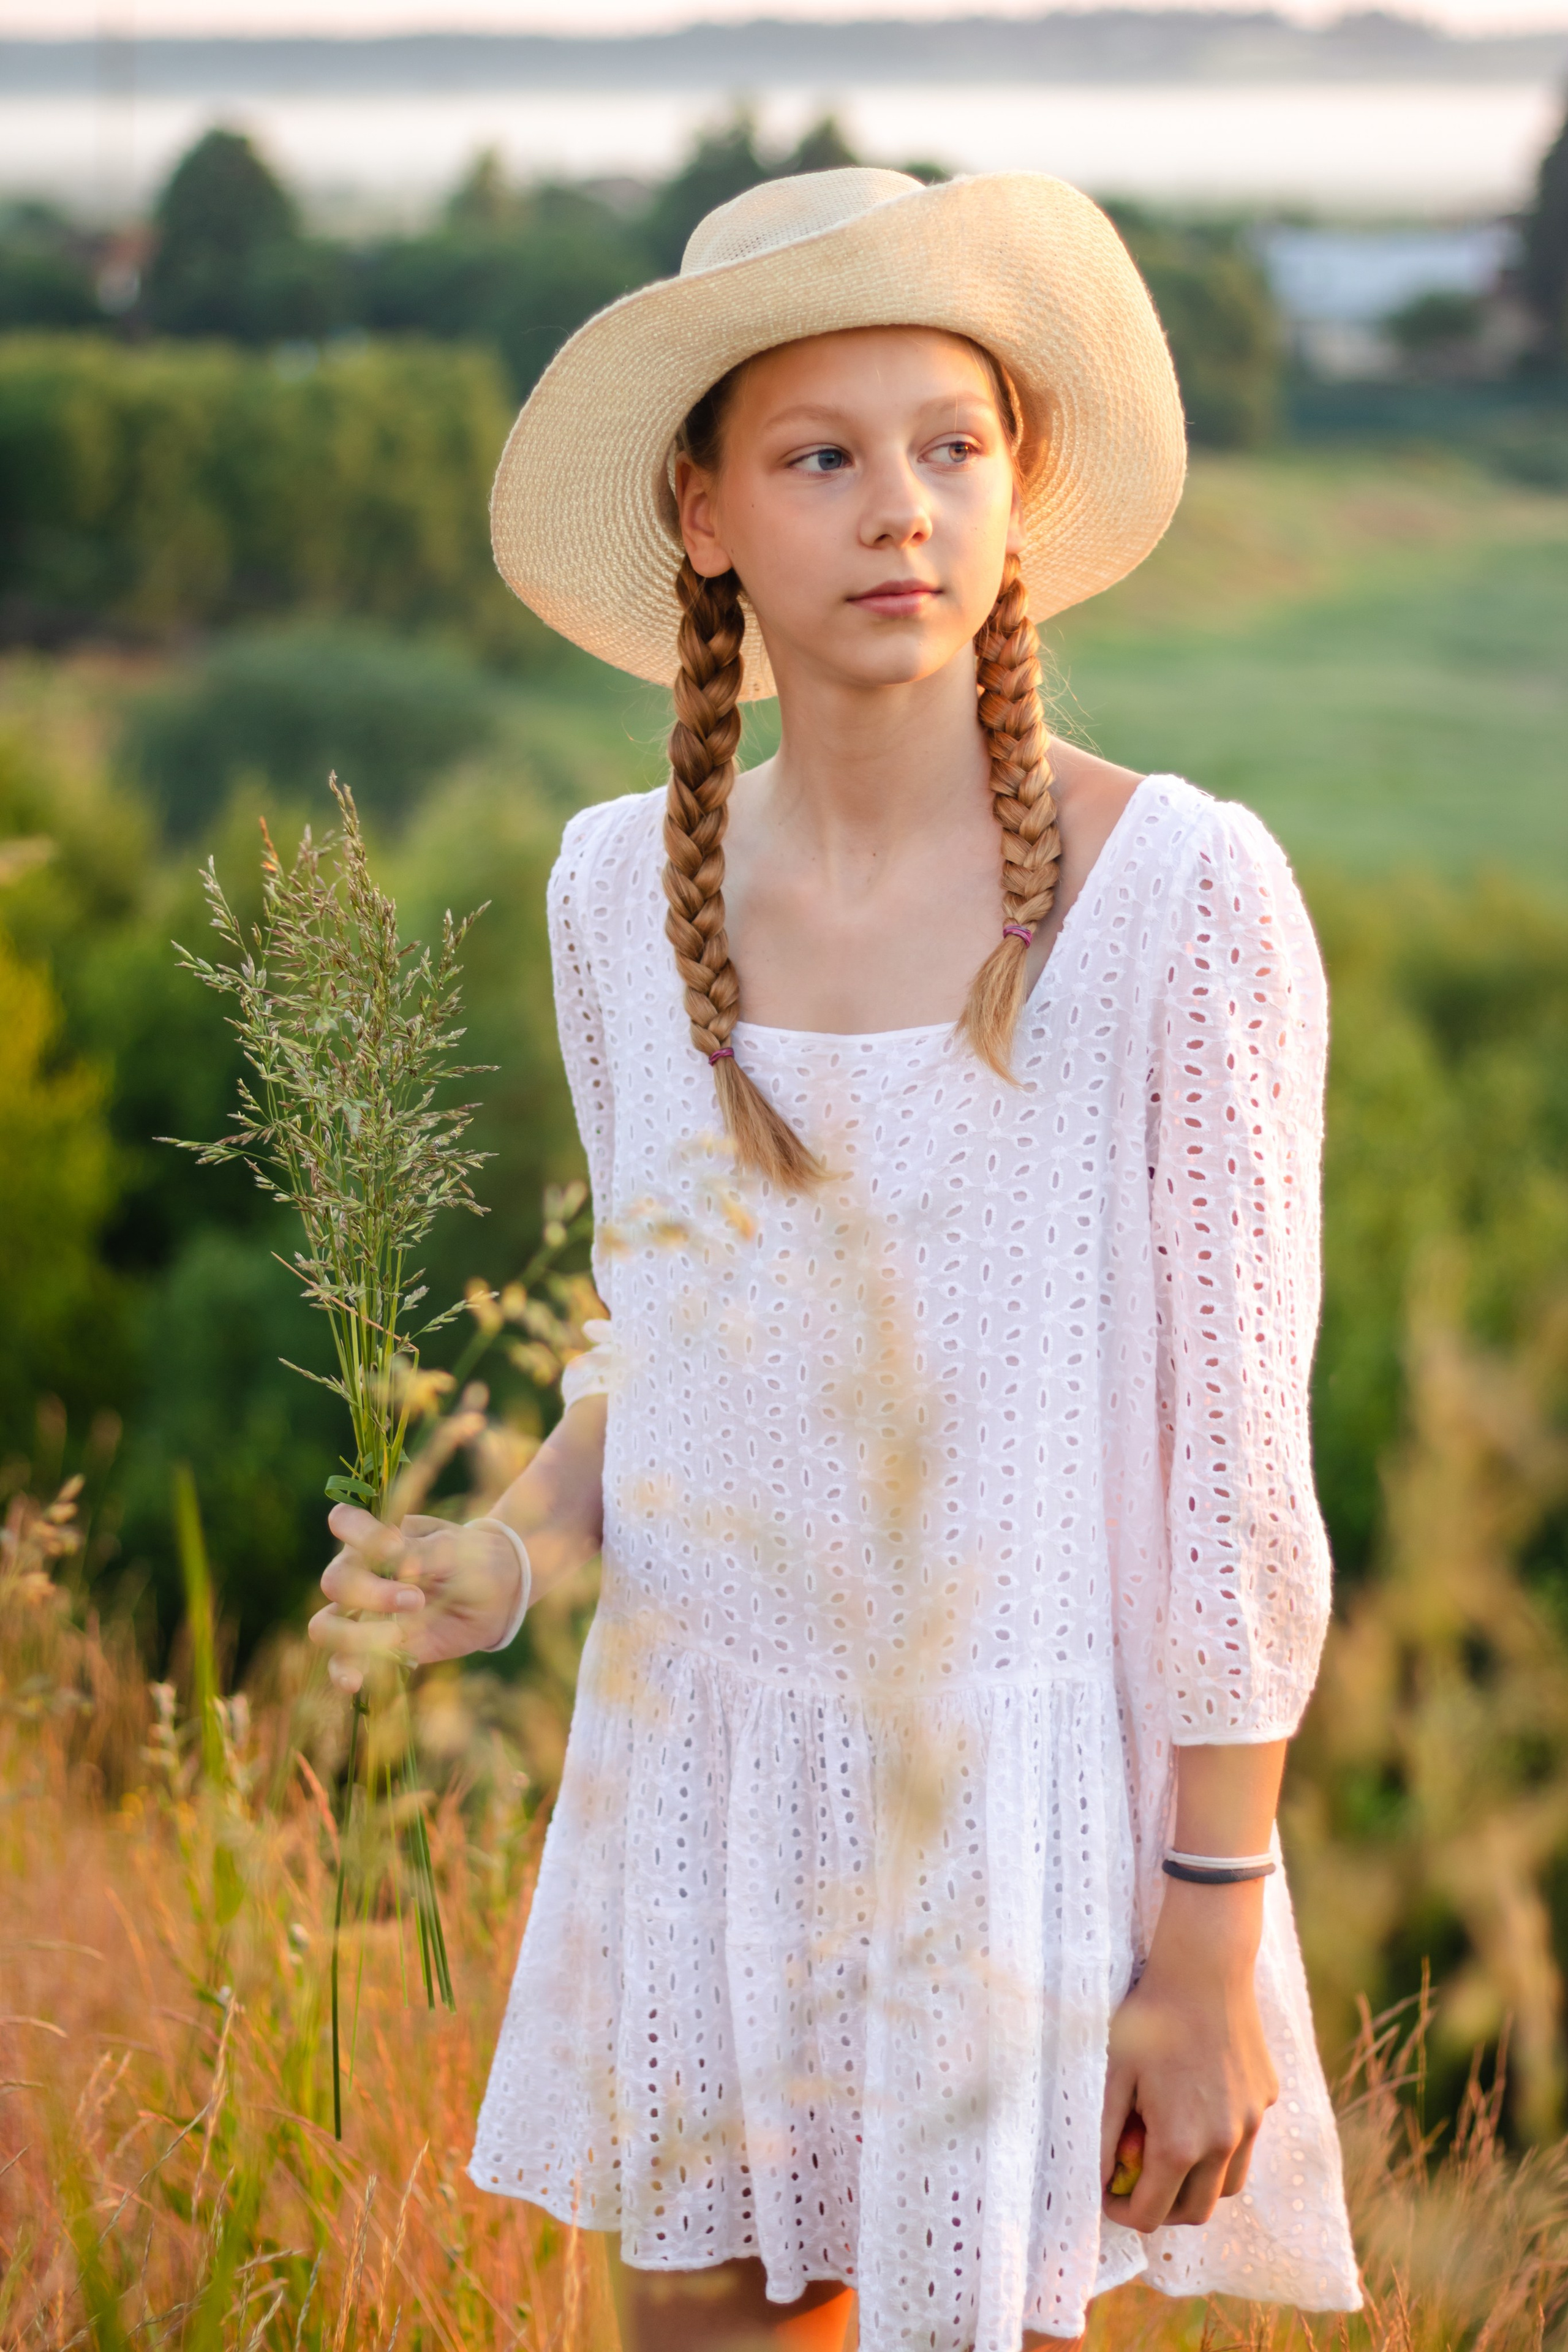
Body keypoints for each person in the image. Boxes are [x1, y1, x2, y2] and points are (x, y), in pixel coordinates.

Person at [309, 168, 1360, 2352]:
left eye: (950, 444)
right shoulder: (619, 896)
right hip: (702, 1781)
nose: (899, 508)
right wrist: (514, 1555)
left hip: (1015, 1818)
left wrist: (1206, 1933)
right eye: (819, 457)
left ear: (1016, 488)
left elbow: (1244, 1480)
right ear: (703, 516)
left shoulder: (1179, 899)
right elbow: (669, 1348)